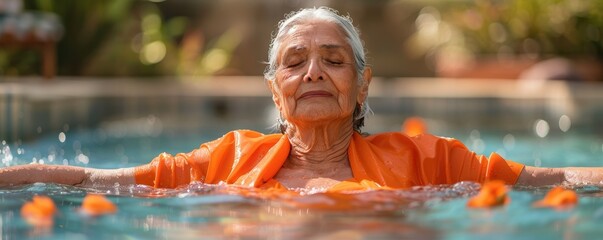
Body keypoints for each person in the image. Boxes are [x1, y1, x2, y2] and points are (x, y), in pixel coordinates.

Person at [1, 7, 602, 191]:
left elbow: (554, 177)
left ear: (363, 85)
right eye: (295, 62)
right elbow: (95, 181)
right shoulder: (227, 159)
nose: (314, 72)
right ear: (275, 89)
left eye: (334, 61)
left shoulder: (428, 160)